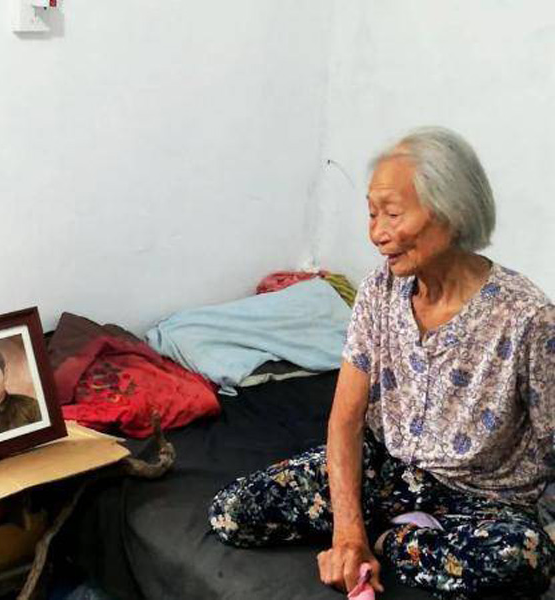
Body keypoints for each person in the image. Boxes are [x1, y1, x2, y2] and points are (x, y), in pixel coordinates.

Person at [208, 127, 555, 599]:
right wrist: (346, 532)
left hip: (484, 498)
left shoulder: (527, 316)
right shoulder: (380, 290)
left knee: (521, 559)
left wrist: (365, 540)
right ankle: (390, 530)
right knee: (233, 513)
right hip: (388, 471)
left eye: (392, 214)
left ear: (452, 213)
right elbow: (346, 420)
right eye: (372, 214)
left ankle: (391, 539)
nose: (377, 234)